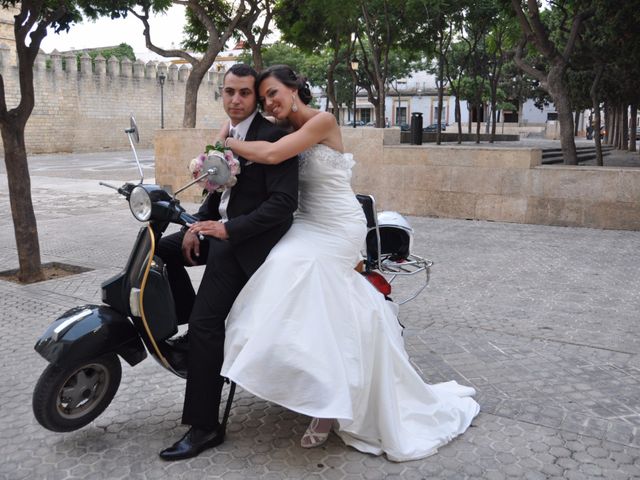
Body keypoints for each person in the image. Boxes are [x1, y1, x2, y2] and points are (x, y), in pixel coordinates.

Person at [219, 64, 480, 462]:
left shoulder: (321, 121)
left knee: (295, 271)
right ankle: (318, 389)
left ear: (295, 90)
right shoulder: (285, 129)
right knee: (289, 279)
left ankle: (327, 406)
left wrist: (223, 145)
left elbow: (270, 155)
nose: (270, 102)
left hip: (338, 225)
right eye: (265, 96)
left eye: (274, 93)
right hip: (305, 222)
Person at [156, 64, 299, 461]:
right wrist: (197, 224)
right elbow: (218, 191)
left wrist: (227, 231)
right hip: (223, 231)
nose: (235, 100)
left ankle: (204, 427)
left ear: (256, 97)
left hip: (249, 244)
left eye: (244, 93)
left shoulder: (274, 138)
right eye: (229, 92)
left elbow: (284, 207)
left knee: (208, 324)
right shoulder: (226, 136)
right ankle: (187, 330)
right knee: (163, 251)